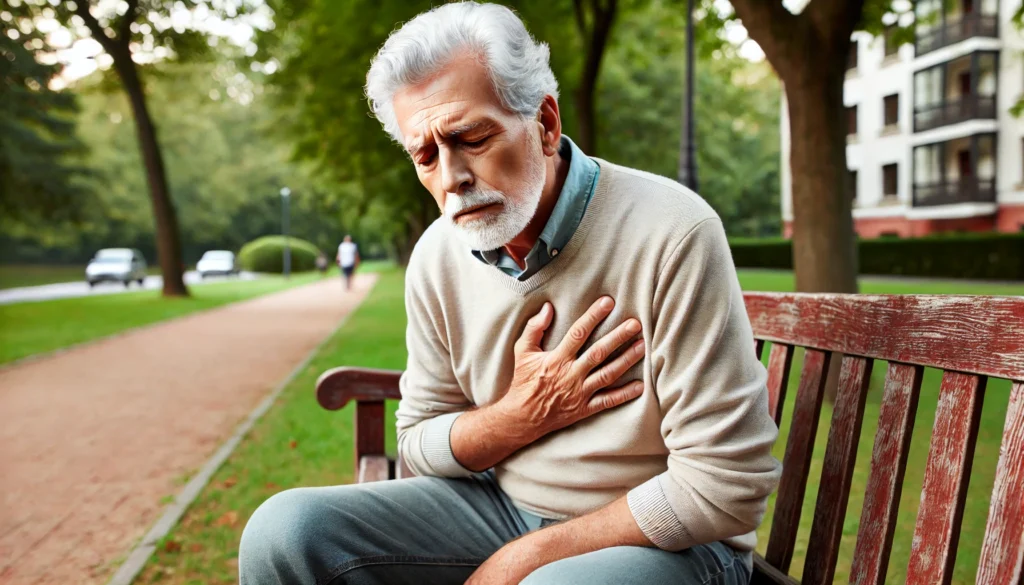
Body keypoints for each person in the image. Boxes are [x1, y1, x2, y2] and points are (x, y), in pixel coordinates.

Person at [239, 3, 781, 585]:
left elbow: (726, 485)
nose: (451, 178)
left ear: (545, 123)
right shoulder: (436, 256)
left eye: (471, 137)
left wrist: (524, 559)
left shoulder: (673, 231)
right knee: (284, 533)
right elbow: (418, 441)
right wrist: (516, 418)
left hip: (671, 543)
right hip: (499, 509)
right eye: (425, 155)